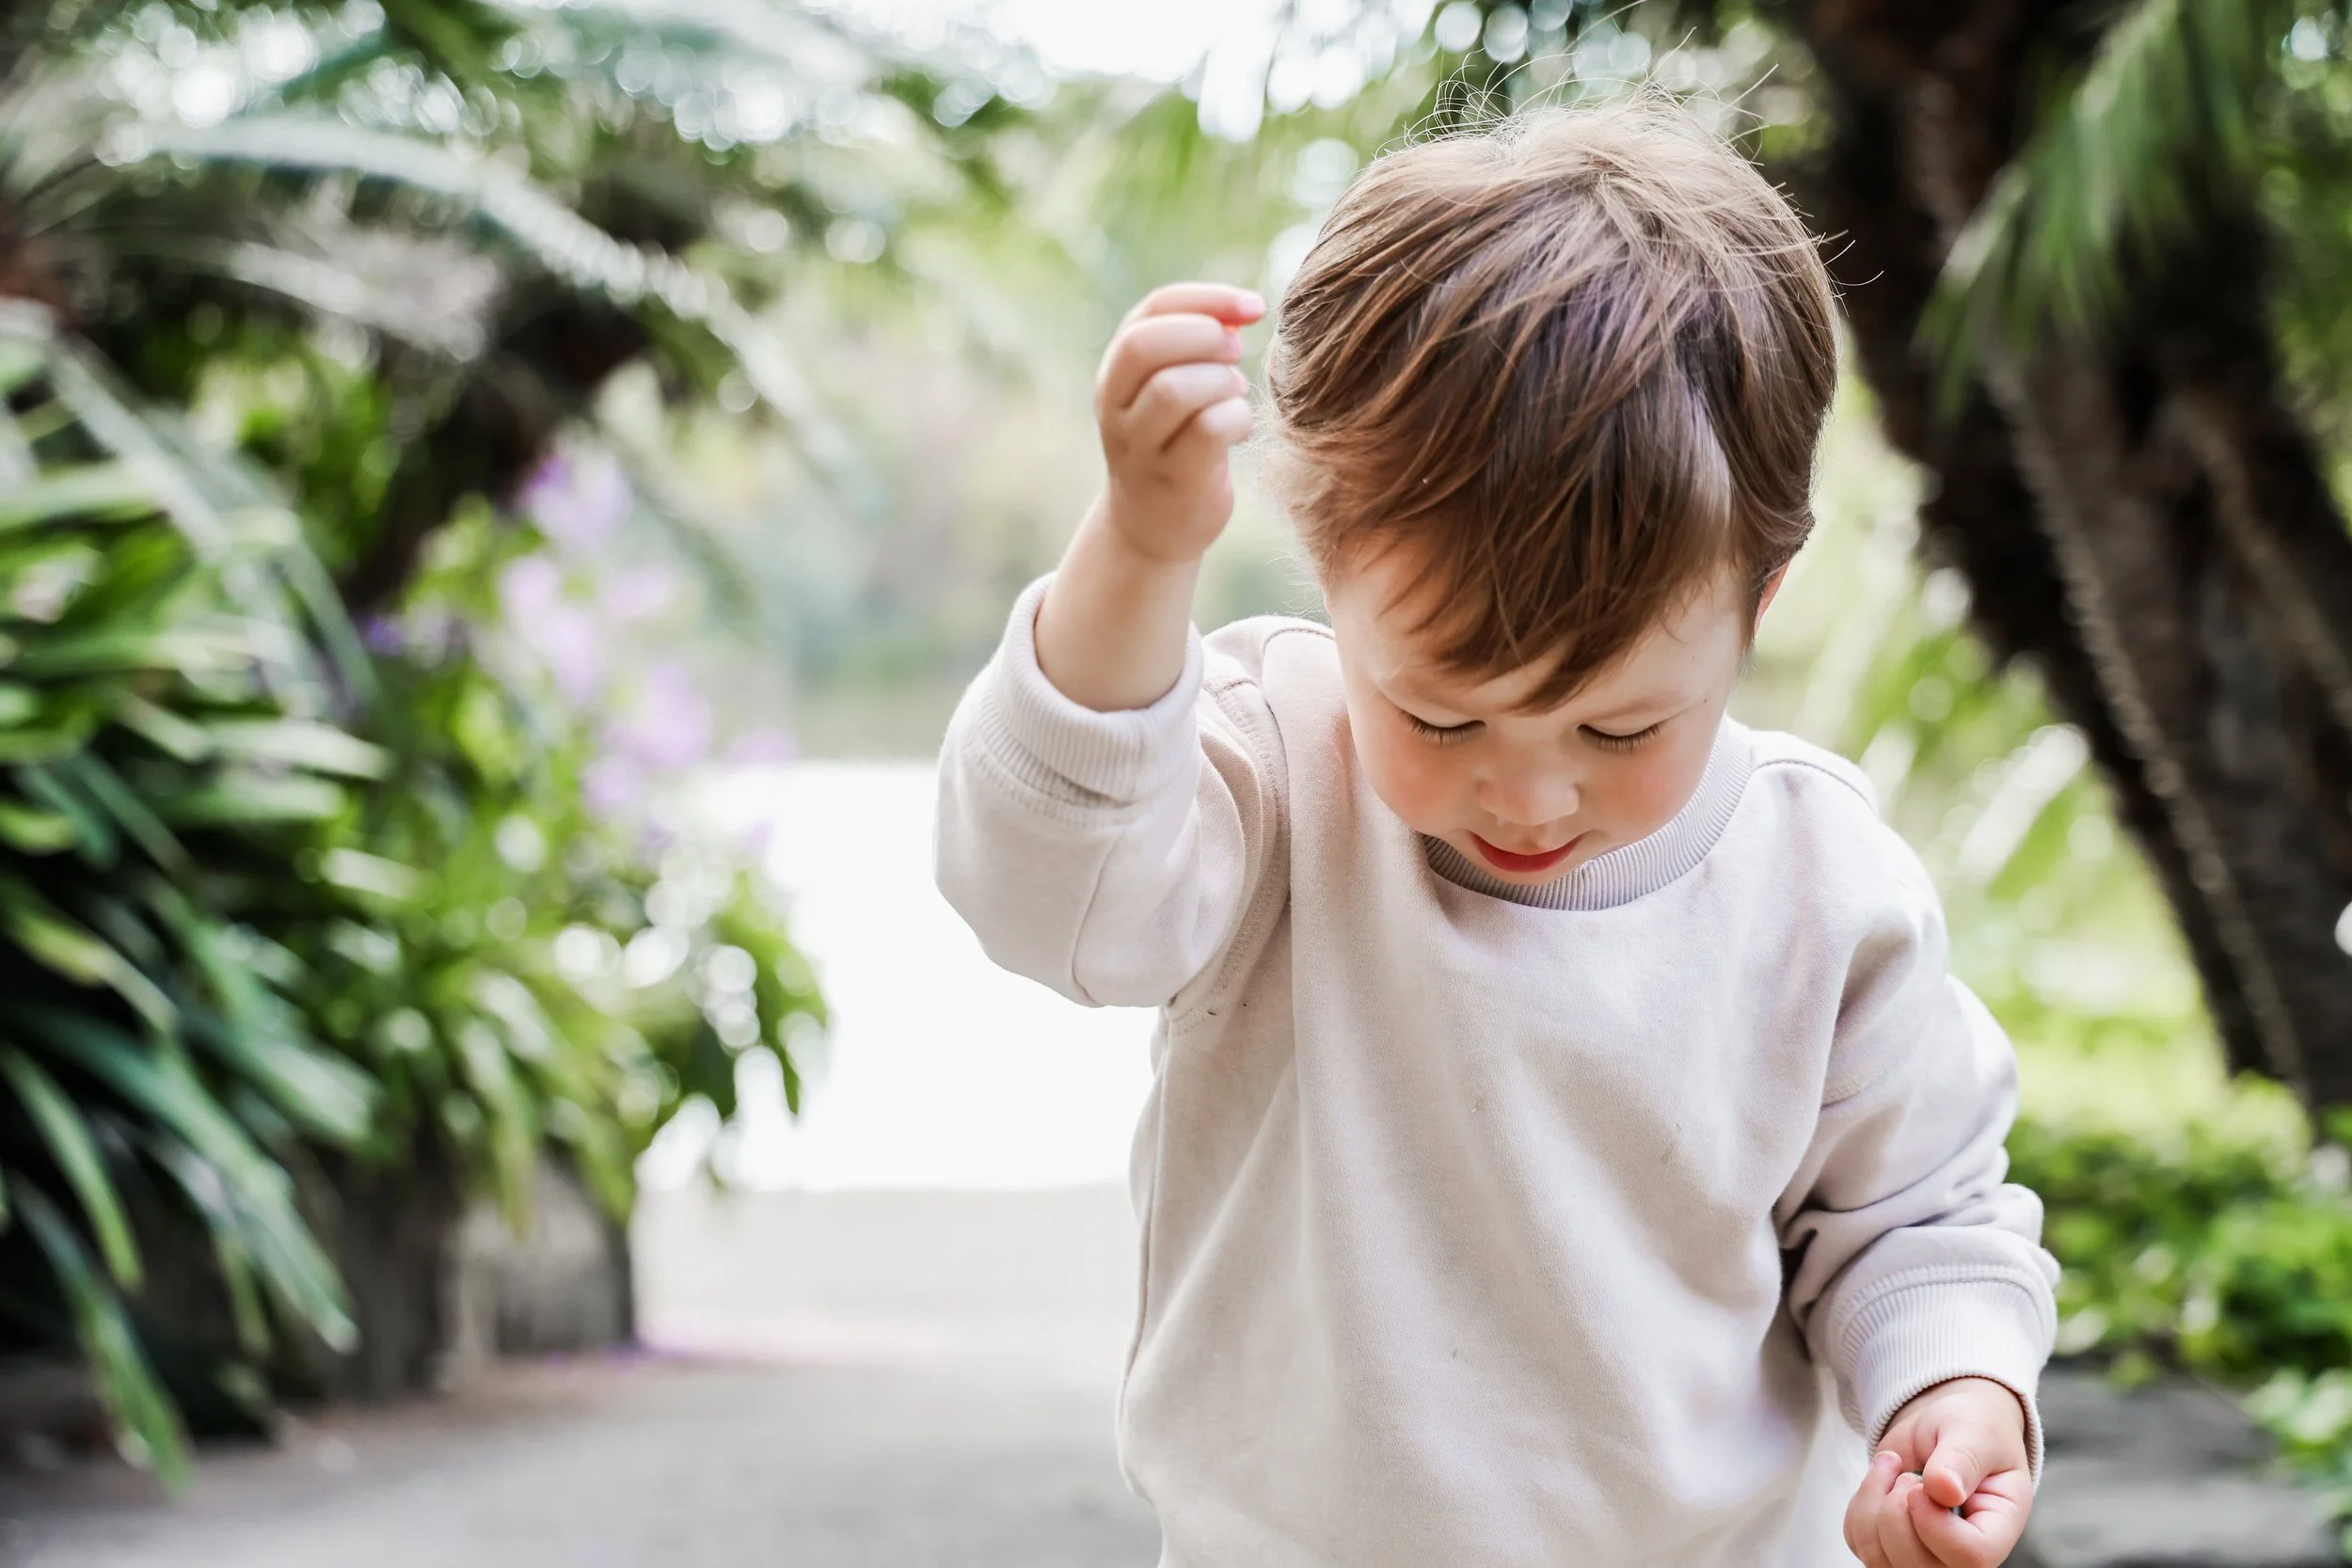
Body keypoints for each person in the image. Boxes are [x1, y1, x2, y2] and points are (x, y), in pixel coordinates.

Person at [933, 95, 2058, 1568]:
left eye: (1621, 730)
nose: (1530, 796)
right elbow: (1050, 899)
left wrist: (1956, 1382)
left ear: (1757, 602)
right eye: (1444, 718)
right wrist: (1140, 552)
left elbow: (1916, 1215)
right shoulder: (1269, 781)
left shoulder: (1820, 887)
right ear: (1329, 574)